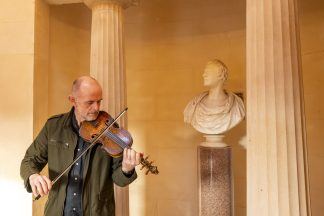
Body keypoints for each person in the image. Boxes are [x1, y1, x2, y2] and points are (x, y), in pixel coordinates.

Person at [20, 76, 141, 216]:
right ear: (73, 100)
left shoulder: (109, 130)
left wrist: (127, 169)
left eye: (99, 101)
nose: (96, 108)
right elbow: (29, 161)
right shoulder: (53, 127)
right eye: (90, 102)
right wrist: (33, 176)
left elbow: (119, 180)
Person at [183, 59, 245, 134]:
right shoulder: (194, 105)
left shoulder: (236, 105)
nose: (203, 75)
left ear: (220, 75)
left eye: (207, 72)